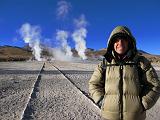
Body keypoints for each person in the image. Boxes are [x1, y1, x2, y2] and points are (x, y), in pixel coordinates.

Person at [89, 26, 160, 120]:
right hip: (109, 116)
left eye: (124, 40)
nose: (120, 43)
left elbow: (154, 85)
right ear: (111, 44)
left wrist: (143, 104)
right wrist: (102, 101)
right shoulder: (104, 63)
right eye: (116, 40)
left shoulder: (140, 62)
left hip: (135, 117)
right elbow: (94, 84)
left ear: (129, 42)